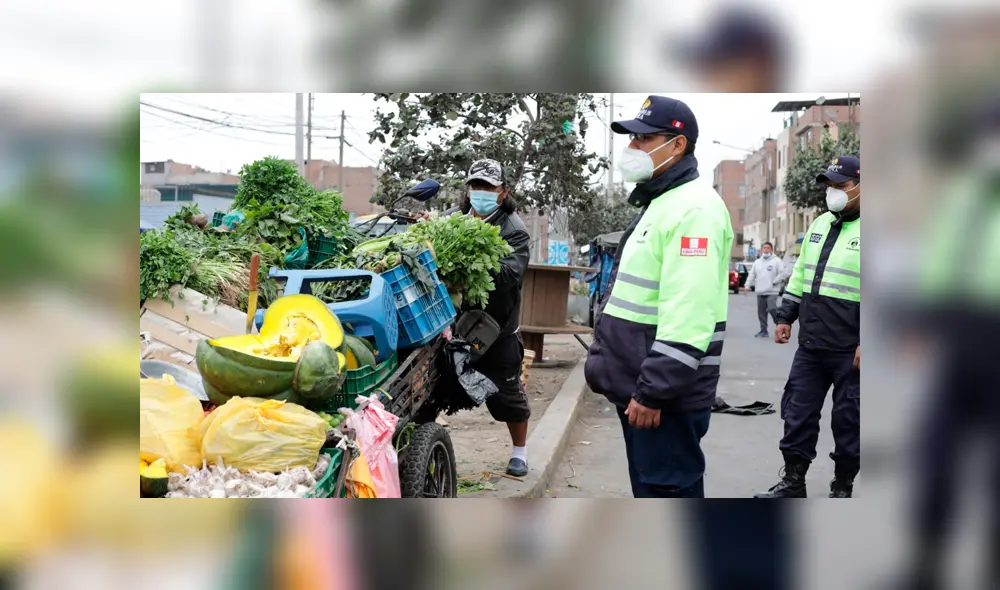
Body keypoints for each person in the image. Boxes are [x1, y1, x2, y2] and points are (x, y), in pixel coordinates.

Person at [584, 95, 734, 498]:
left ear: (677, 145)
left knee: (667, 491)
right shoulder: (662, 203)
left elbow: (690, 313)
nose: (632, 149)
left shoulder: (695, 209)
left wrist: (653, 391)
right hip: (642, 389)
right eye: (632, 141)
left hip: (663, 398)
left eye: (642, 140)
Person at [754, 155, 861, 499]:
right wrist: (786, 316)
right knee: (797, 413)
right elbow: (801, 275)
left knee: (850, 421)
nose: (833, 193)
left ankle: (843, 484)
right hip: (812, 345)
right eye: (830, 186)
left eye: (841, 185)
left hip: (852, 349)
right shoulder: (819, 225)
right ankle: (793, 482)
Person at [456, 158, 532, 477]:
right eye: (475, 186)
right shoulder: (456, 221)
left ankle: (520, 453)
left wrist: (475, 256)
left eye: (488, 187)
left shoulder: (514, 229)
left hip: (497, 327)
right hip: (458, 323)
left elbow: (510, 276)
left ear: (502, 192)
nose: (480, 192)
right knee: (435, 385)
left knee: (507, 394)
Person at [745, 241, 785, 338]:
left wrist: (775, 281)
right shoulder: (757, 262)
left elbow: (782, 274)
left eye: (768, 248)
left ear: (771, 250)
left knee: (772, 308)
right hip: (760, 290)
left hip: (772, 290)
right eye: (764, 248)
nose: (766, 249)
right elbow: (752, 275)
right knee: (761, 313)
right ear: (762, 249)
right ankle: (763, 331)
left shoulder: (777, 261)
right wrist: (747, 286)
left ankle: (780, 324)